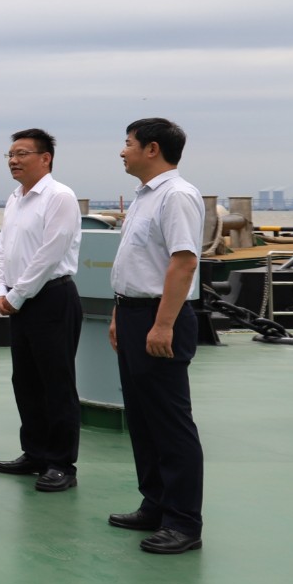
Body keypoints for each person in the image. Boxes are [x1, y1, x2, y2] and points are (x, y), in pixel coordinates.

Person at [107, 118, 206, 554]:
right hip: (134, 314)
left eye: (128, 143)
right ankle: (156, 504)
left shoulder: (176, 195)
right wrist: (119, 313)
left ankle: (183, 522)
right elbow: (137, 262)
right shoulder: (145, 197)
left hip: (159, 315)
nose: (122, 151)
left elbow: (183, 262)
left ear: (152, 149)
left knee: (169, 422)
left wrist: (163, 324)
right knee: (143, 419)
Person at [0, 128, 84, 492]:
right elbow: (3, 248)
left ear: (46, 158)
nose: (13, 160)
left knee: (56, 383)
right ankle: (35, 453)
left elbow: (51, 252)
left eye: (22, 154)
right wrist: (2, 289)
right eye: (10, 155)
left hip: (51, 298)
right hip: (19, 300)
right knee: (26, 381)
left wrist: (17, 295)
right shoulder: (15, 199)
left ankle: (61, 463)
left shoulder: (60, 197)